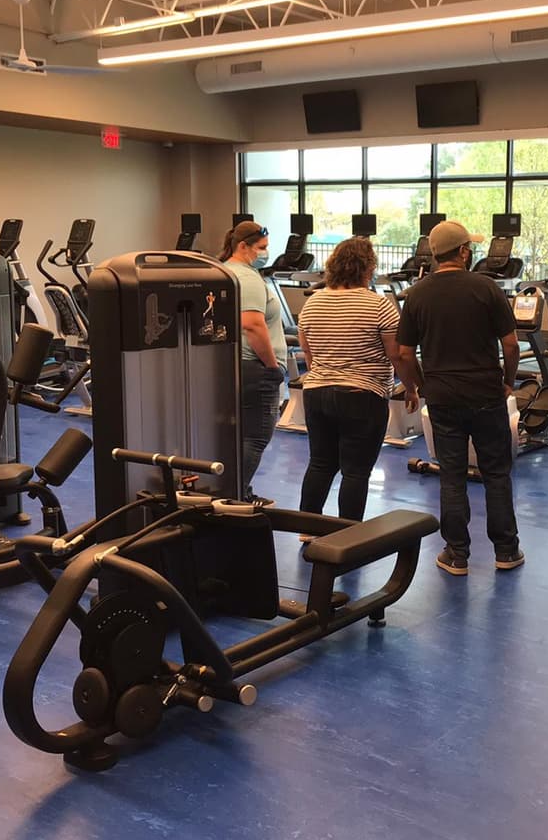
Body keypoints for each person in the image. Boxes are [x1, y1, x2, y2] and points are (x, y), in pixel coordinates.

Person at [396, 219, 523, 576]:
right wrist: (508, 381)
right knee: (496, 473)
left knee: (451, 475)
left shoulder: (417, 293)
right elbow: (510, 345)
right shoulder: (486, 288)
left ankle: (456, 554)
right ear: (464, 252)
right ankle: (507, 551)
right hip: (485, 392)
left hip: (442, 397)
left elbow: (405, 354)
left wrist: (418, 386)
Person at [297, 237, 416, 521]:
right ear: (368, 267)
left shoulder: (312, 304)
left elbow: (308, 353)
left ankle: (305, 526)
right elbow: (397, 355)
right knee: (356, 470)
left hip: (316, 392)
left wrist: (327, 375)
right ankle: (349, 534)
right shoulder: (379, 306)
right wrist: (411, 388)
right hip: (363, 395)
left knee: (320, 463)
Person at [220, 219, 287, 505]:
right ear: (243, 246)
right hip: (255, 368)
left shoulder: (222, 270)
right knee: (256, 437)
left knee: (235, 436)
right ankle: (233, 494)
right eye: (262, 248)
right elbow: (252, 325)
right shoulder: (246, 277)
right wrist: (272, 366)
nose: (265, 253)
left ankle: (236, 491)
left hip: (234, 366)